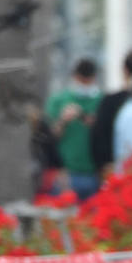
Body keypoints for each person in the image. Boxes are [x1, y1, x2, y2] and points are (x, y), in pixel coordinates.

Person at [43, 57, 102, 203]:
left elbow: (105, 133)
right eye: (82, 80)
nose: (85, 84)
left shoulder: (101, 101)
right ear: (75, 77)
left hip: (94, 173)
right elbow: (48, 137)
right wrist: (63, 120)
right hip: (65, 176)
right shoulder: (59, 100)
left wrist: (86, 119)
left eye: (88, 80)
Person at [91, 49, 132, 177]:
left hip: (115, 170)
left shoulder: (110, 101)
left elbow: (98, 135)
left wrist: (103, 165)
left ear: (124, 70)